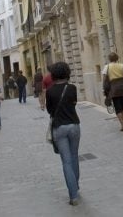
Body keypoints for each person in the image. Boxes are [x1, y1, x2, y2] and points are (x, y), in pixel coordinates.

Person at [46, 62, 80, 206]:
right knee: (74, 157)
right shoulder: (72, 88)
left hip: (59, 128)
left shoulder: (50, 91)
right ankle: (76, 187)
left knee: (66, 161)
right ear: (67, 72)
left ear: (53, 74)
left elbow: (49, 110)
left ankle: (73, 196)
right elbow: (74, 104)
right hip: (74, 125)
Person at [103, 52, 123, 132]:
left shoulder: (107, 67)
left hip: (114, 88)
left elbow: (104, 79)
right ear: (117, 58)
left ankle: (122, 124)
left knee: (117, 106)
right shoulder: (121, 65)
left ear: (109, 59)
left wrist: (104, 89)